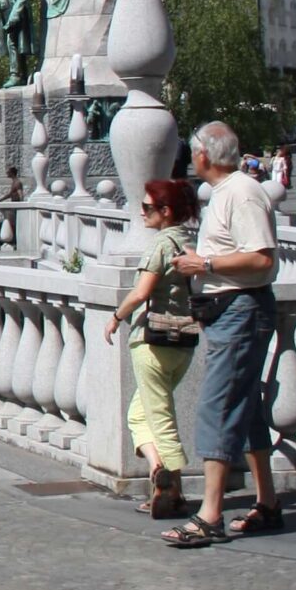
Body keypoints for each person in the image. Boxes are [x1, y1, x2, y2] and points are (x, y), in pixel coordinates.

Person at [163, 121, 283, 548]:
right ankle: (267, 501)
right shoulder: (227, 193)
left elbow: (261, 259)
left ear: (203, 156)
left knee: (217, 406)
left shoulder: (242, 192)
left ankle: (210, 514)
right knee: (245, 408)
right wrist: (203, 259)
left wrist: (206, 266)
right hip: (229, 311)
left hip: (241, 312)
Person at [105, 178, 199, 519]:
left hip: (154, 340)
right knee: (140, 413)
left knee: (158, 417)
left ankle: (172, 484)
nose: (142, 213)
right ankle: (161, 477)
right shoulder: (190, 242)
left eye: (147, 208)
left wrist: (117, 316)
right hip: (184, 341)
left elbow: (142, 292)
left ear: (165, 211)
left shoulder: (161, 243)